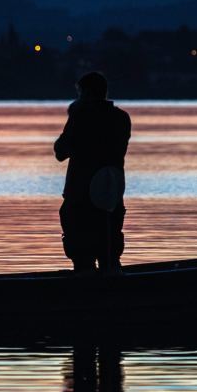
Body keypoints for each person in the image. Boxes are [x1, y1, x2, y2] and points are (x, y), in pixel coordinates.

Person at [54, 71, 131, 274]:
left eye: (80, 93)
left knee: (83, 260)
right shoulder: (122, 118)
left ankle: (85, 297)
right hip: (111, 195)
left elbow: (60, 152)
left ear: (86, 93)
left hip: (80, 198)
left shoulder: (81, 117)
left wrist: (75, 114)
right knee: (110, 258)